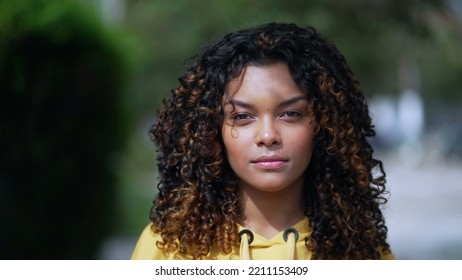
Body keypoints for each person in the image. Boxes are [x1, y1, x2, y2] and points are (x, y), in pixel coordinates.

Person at [131, 22, 394, 260]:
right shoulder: (167, 249)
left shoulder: (361, 251)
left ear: (325, 125)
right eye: (243, 116)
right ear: (212, 130)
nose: (268, 136)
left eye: (291, 114)